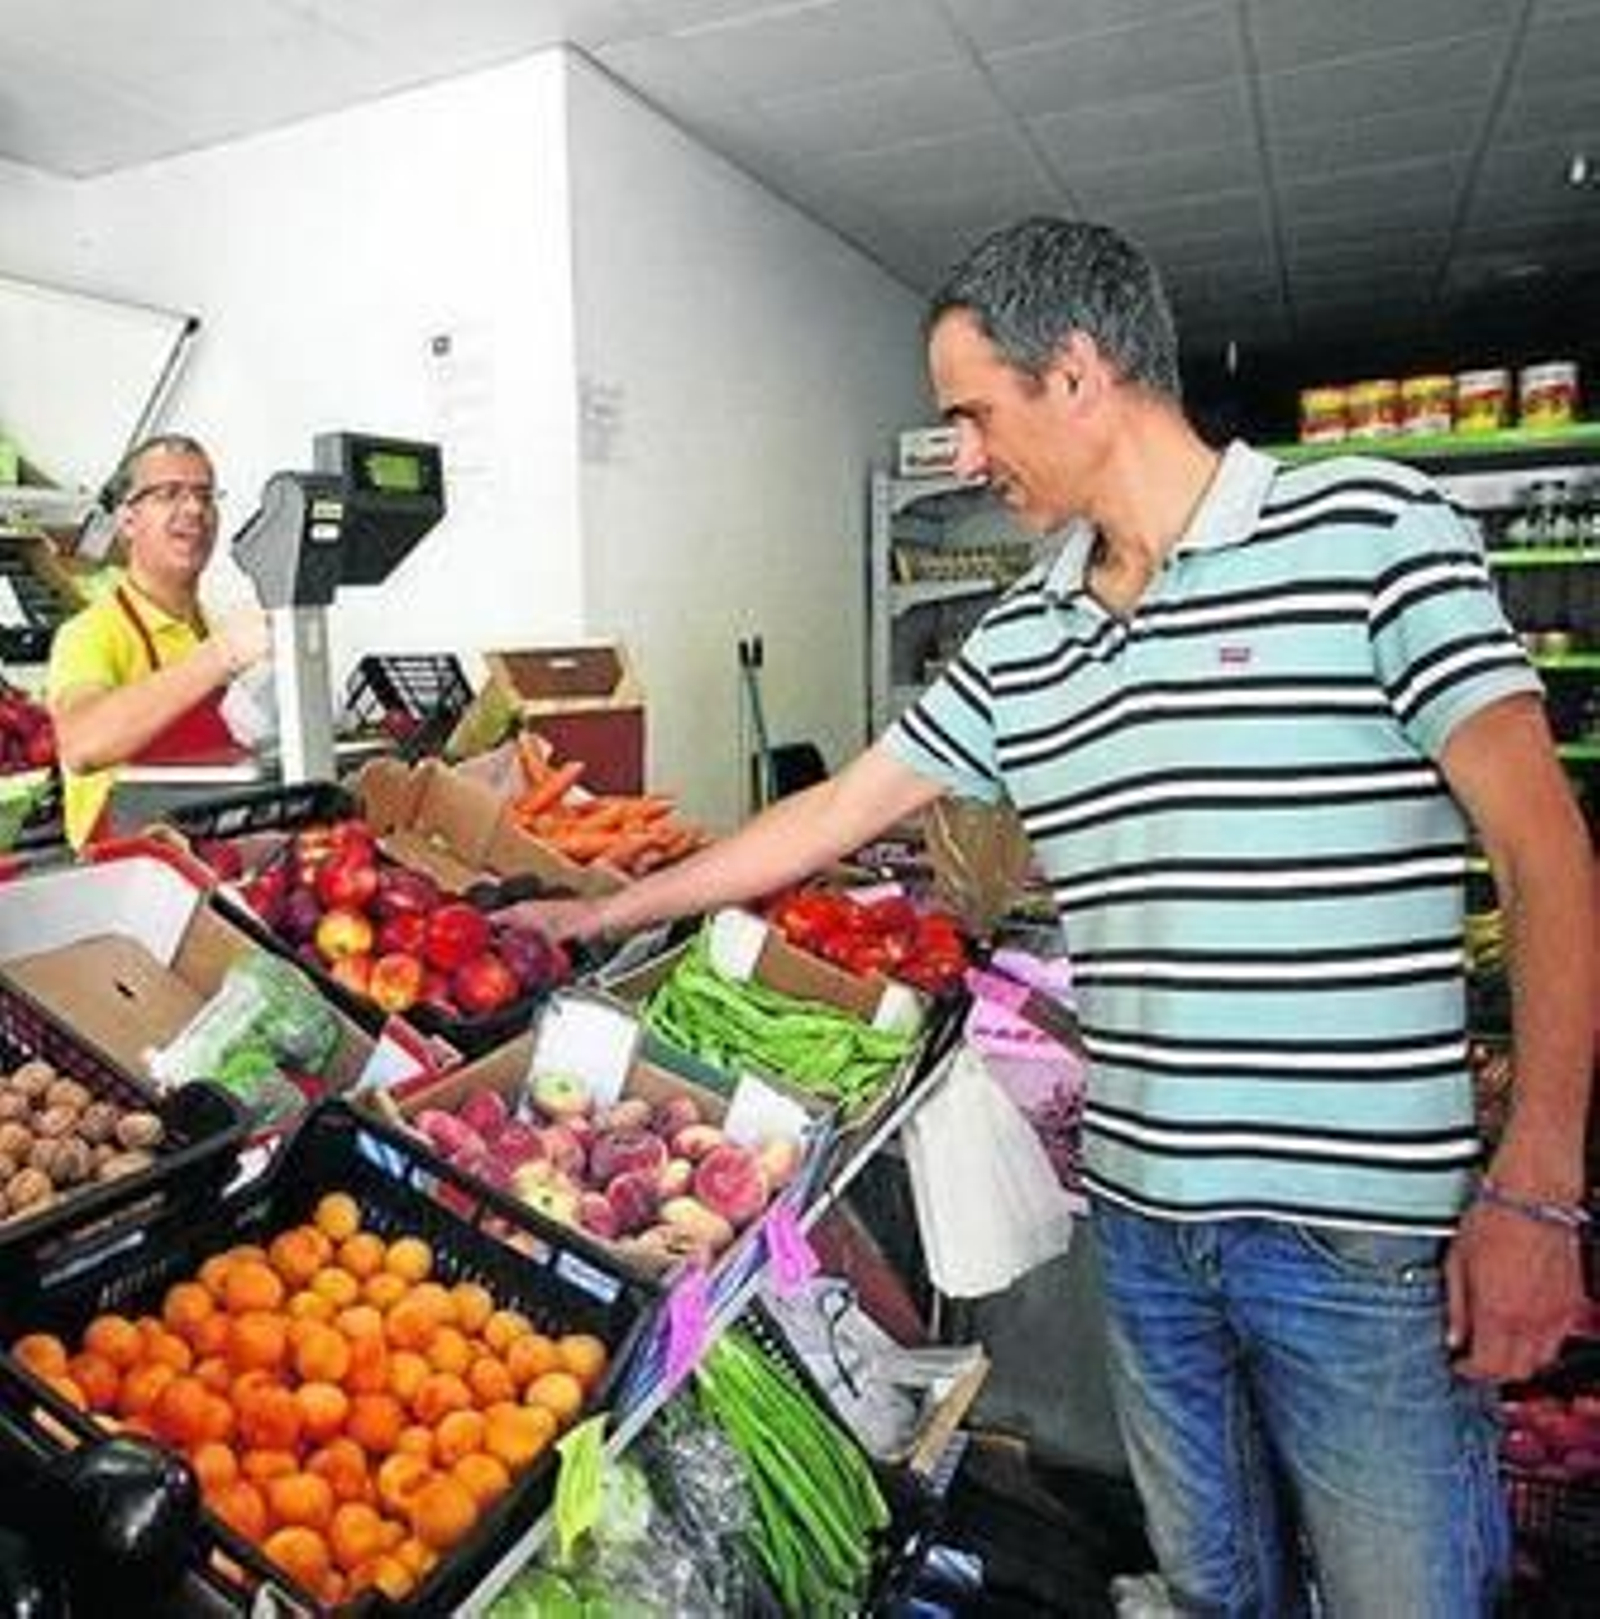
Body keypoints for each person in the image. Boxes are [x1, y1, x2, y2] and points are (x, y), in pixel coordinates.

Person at [511, 217, 1597, 1613]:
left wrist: (1538, 1188)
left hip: (1360, 1240)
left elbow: (1547, 854)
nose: (963, 451)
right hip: (1144, 1227)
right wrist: (608, 909)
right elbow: (843, 807)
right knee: (1214, 1587)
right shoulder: (1027, 634)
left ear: (1077, 370)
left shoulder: (1375, 528)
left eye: (974, 410)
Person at [47, 433, 271, 847]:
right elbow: (81, 743)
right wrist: (218, 658)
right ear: (128, 519)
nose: (194, 509)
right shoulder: (90, 634)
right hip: (126, 880)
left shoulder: (215, 624)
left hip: (211, 861)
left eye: (205, 495)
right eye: (169, 494)